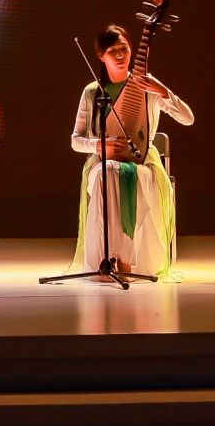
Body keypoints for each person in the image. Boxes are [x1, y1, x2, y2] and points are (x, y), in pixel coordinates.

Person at [69, 23, 193, 279]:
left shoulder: (146, 87)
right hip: (102, 166)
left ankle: (123, 258)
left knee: (115, 174)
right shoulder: (92, 92)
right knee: (108, 172)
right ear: (101, 56)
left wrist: (164, 92)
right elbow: (76, 140)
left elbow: (188, 118)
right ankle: (110, 257)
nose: (120, 55)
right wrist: (98, 145)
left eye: (124, 49)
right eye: (112, 51)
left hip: (142, 166)